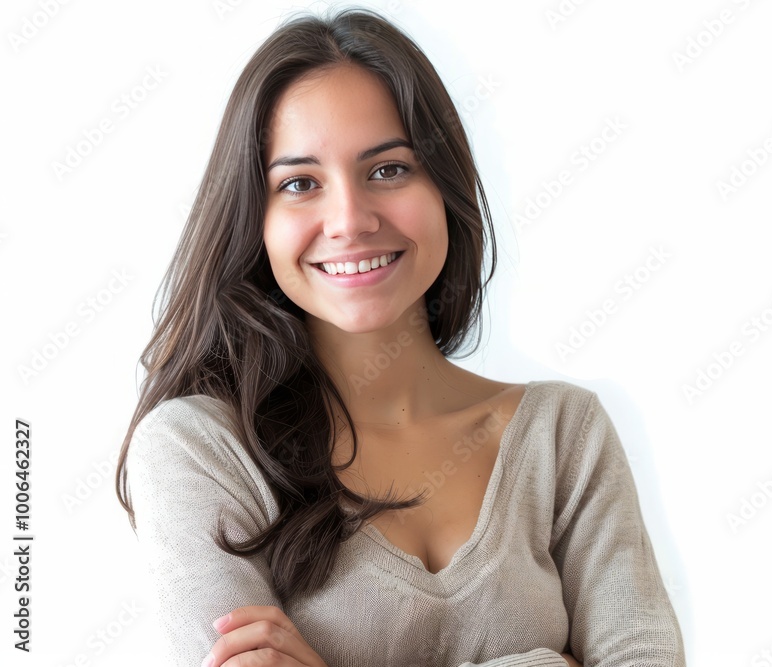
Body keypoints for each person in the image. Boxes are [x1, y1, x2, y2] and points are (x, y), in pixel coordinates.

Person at [115, 7, 685, 666]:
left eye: (387, 169)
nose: (349, 220)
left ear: (445, 186)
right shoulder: (199, 450)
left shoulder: (565, 436)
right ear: (253, 220)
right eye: (300, 184)